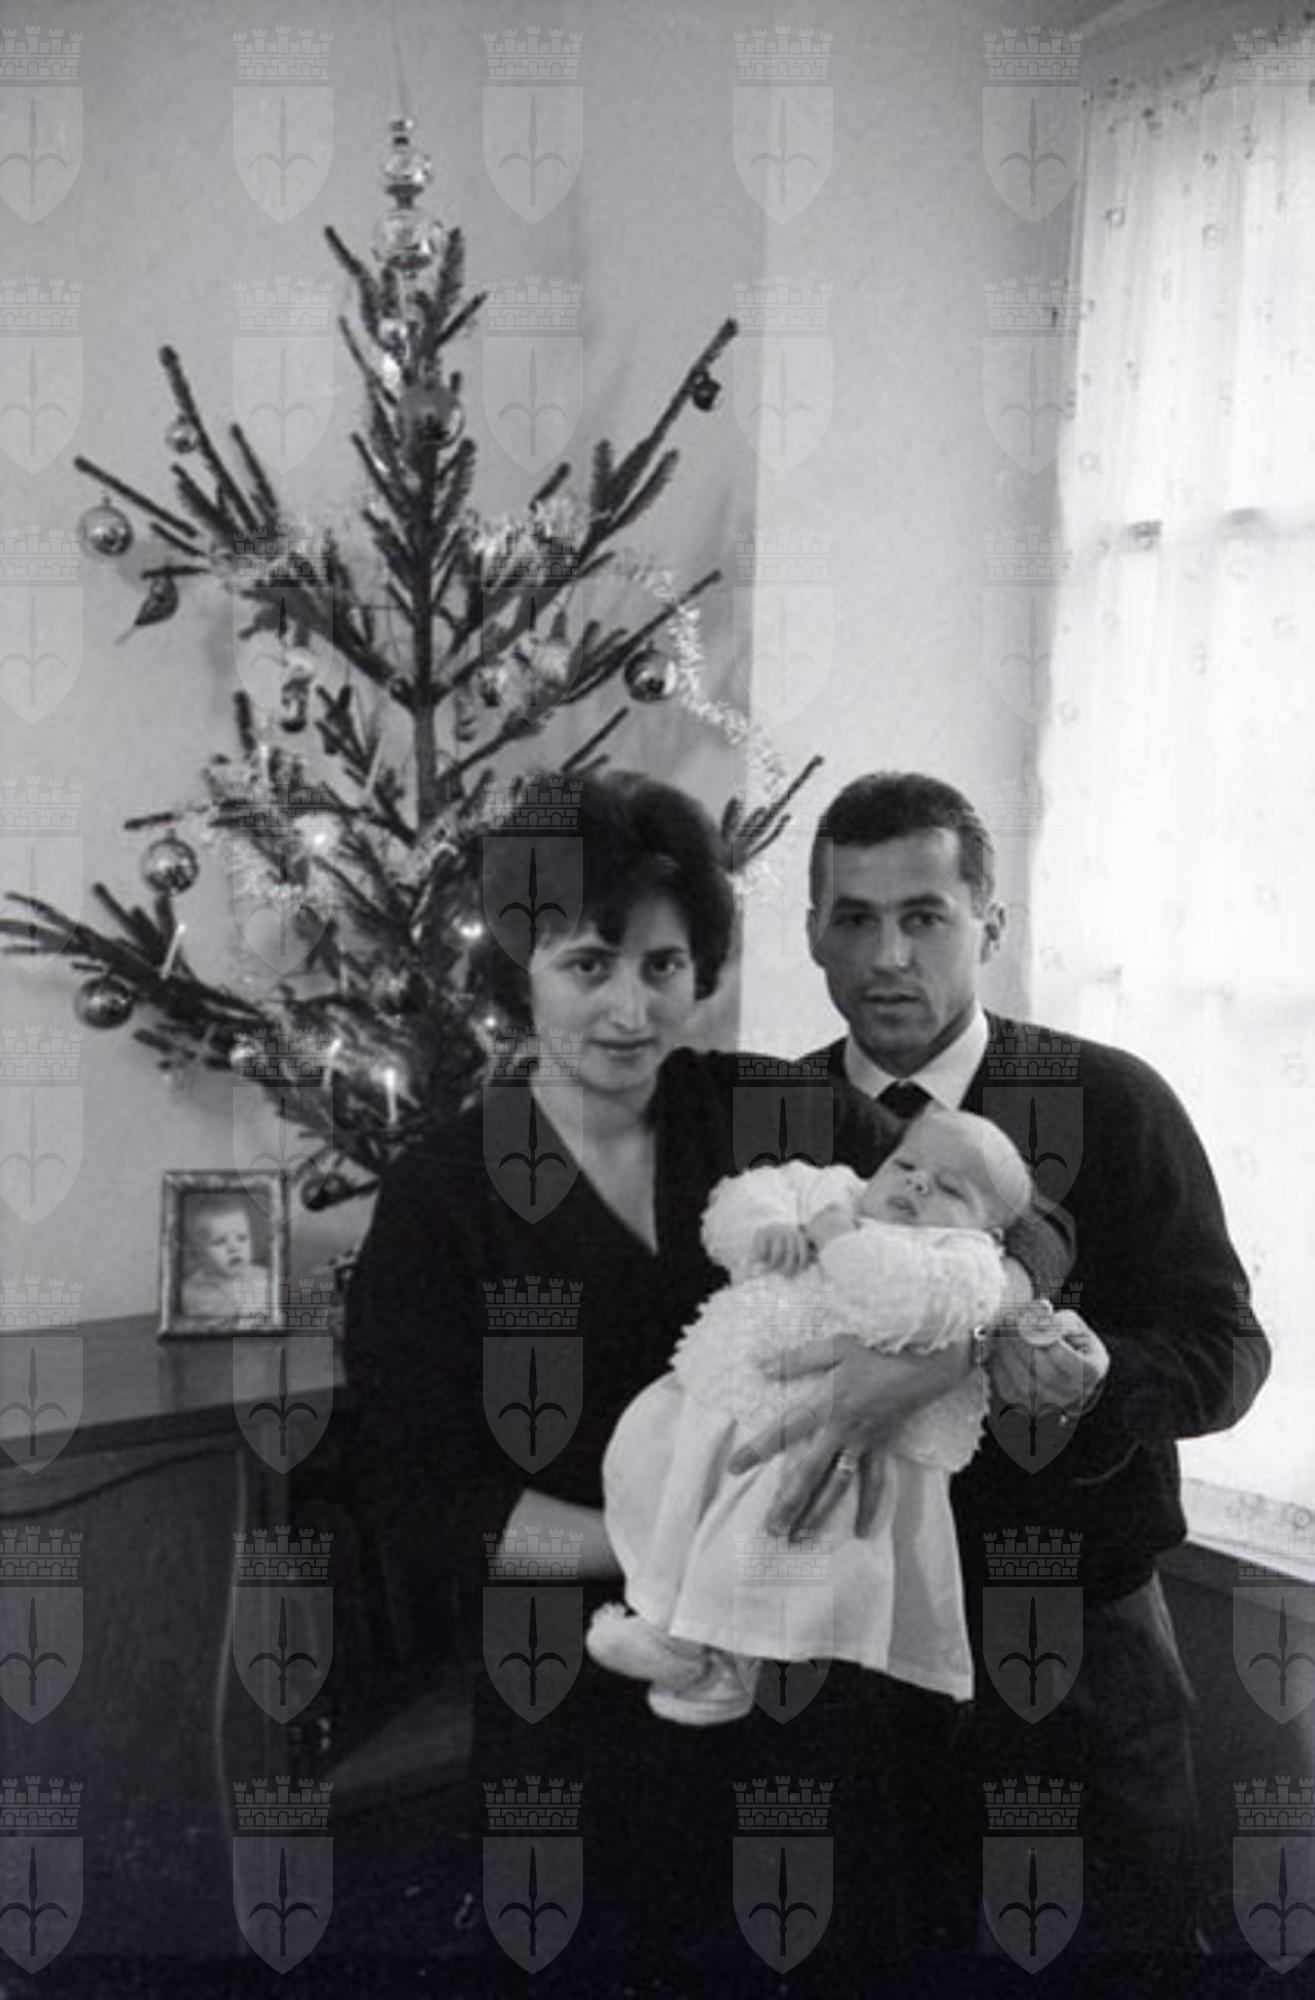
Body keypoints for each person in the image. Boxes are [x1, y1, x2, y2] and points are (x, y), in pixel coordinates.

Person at [344, 769, 1071, 1991]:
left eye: (664, 965)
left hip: (813, 1683)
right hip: (583, 1697)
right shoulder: (442, 1194)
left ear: (702, 969)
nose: (630, 1008)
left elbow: (1028, 1227)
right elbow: (421, 1497)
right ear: (519, 967)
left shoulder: (770, 1109)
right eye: (588, 964)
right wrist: (672, 1537)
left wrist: (928, 1357)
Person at [747, 769, 1270, 1966]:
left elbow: (1227, 1349)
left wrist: (1097, 1372)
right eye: (854, 917)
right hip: (837, 1659)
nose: (888, 955)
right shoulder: (760, 1126)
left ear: (989, 924)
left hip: (1076, 1651)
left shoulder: (1114, 1101)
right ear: (812, 931)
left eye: (924, 915)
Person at [587, 1106, 1054, 1722]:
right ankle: (672, 1633)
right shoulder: (835, 1188)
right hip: (727, 1400)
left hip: (830, 1446)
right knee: (663, 1487)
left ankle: (716, 1658)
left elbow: (906, 1306)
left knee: (769, 1547)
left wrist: (835, 1239)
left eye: (950, 1188)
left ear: (990, 1232)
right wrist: (768, 1227)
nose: (917, 1183)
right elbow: (751, 1191)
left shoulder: (961, 1260)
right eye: (906, 1165)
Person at [178, 1194, 270, 1325]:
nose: (234, 1248)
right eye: (220, 1241)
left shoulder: (265, 1277)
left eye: (242, 1238)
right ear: (199, 1254)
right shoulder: (191, 1292)